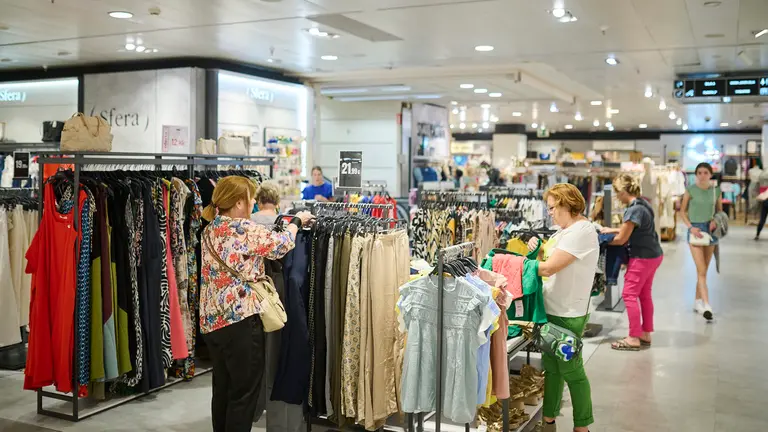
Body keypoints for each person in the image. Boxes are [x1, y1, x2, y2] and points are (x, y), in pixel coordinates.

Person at [199, 176, 313, 432]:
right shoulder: (242, 229)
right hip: (241, 321)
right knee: (244, 394)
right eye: (250, 199)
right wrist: (296, 222)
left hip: (212, 323)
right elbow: (281, 246)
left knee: (223, 390)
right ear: (239, 202)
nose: (252, 203)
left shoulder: (210, 229)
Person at [526, 183, 597, 432]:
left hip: (568, 312)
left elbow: (548, 268)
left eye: (552, 208)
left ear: (567, 204)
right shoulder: (563, 231)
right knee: (553, 369)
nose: (551, 213)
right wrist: (537, 249)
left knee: (572, 370)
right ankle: (549, 420)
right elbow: (544, 259)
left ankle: (582, 427)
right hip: (552, 310)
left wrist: (515, 264)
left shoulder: (582, 232)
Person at [600, 174, 664, 351]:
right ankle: (645, 333)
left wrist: (603, 241)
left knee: (628, 294)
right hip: (654, 255)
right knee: (644, 295)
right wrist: (612, 229)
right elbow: (634, 228)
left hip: (642, 257)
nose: (616, 197)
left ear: (622, 191)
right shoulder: (644, 204)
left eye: (617, 192)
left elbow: (621, 239)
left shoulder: (632, 210)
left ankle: (633, 337)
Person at [678, 162, 721, 321]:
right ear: (696, 175)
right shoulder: (690, 190)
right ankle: (707, 305)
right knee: (701, 269)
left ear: (710, 174)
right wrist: (690, 227)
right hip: (696, 231)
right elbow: (682, 211)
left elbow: (720, 212)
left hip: (711, 231)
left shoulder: (716, 191)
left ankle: (697, 302)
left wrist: (715, 221)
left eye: (705, 172)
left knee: (703, 270)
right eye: (700, 173)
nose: (702, 175)